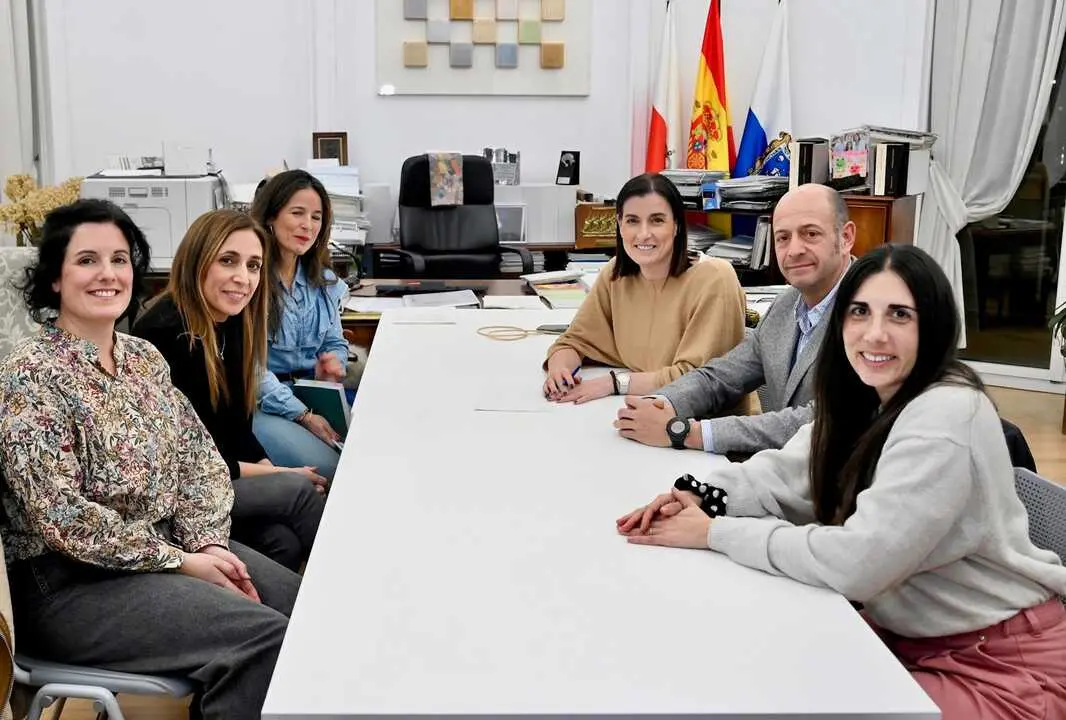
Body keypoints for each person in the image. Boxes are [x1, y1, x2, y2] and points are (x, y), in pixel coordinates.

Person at [618, 245, 1066, 719]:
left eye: (899, 314)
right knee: (746, 671)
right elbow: (788, 472)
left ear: (933, 325)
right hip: (912, 636)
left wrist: (716, 532)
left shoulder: (947, 413)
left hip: (1002, 665)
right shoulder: (869, 395)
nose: (875, 333)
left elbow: (860, 562)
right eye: (860, 312)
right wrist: (700, 496)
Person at [0, 199, 301, 720]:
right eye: (87, 260)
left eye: (119, 259)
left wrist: (207, 542)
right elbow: (64, 518)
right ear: (54, 279)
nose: (108, 274)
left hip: (165, 551)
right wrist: (181, 562)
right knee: (264, 638)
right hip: (68, 585)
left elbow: (200, 463)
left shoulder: (142, 358)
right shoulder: (28, 376)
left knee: (309, 609)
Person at [134, 209, 326, 572]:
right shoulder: (166, 333)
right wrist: (282, 476)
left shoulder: (231, 321)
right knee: (299, 492)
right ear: (197, 260)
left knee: (282, 541)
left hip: (217, 477)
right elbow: (193, 459)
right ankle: (352, 588)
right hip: (181, 490)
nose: (243, 278)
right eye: (228, 261)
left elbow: (237, 429)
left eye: (253, 266)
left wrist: (273, 470)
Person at [614, 183, 854, 454]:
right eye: (783, 238)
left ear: (846, 238)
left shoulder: (870, 314)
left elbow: (820, 422)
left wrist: (686, 432)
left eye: (811, 234)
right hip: (784, 469)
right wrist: (661, 404)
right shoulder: (786, 304)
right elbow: (723, 376)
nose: (794, 250)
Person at [543, 173, 746, 404]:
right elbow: (574, 341)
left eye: (657, 220)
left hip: (706, 419)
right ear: (619, 225)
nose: (643, 234)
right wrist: (559, 372)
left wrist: (613, 383)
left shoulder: (715, 279)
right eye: (632, 221)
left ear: (677, 225)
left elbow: (697, 380)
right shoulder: (615, 274)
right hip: (642, 406)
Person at [251, 170, 349, 482]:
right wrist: (303, 415)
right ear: (271, 216)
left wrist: (333, 365)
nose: (308, 225)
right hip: (264, 403)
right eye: (297, 213)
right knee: (334, 470)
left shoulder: (325, 282)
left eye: (316, 217)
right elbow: (250, 370)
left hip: (314, 393)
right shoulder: (250, 281)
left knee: (372, 449)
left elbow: (334, 342)